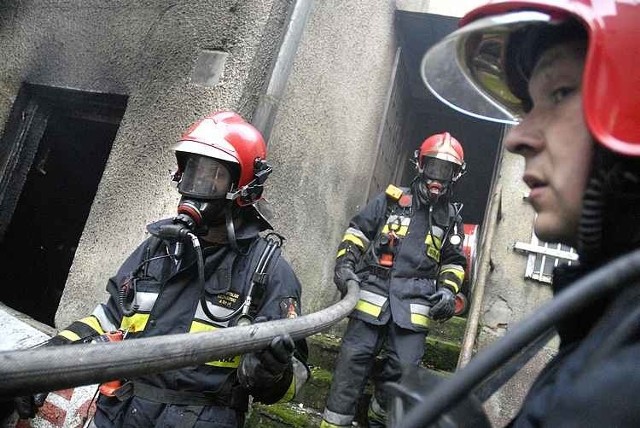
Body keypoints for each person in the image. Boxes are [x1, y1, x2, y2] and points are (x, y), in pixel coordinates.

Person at [416, 0, 640, 426]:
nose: (516, 136)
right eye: (527, 106)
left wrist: (448, 290)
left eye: (561, 92)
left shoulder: (621, 387)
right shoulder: (609, 323)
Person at [13, 111, 310, 427]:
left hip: (200, 417)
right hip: (122, 411)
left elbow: (296, 377)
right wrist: (46, 362)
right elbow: (108, 318)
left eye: (213, 176)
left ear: (244, 189)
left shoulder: (267, 270)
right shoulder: (159, 248)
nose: (196, 186)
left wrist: (272, 373)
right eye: (191, 172)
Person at [320, 133, 468, 427]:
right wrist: (345, 265)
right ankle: (334, 423)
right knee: (352, 365)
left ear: (455, 175)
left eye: (446, 170)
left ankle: (378, 416)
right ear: (420, 165)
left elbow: (454, 261)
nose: (438, 178)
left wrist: (449, 291)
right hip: (372, 294)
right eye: (433, 167)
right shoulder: (391, 200)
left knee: (403, 374)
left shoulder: (451, 218)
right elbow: (358, 232)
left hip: (414, 307)